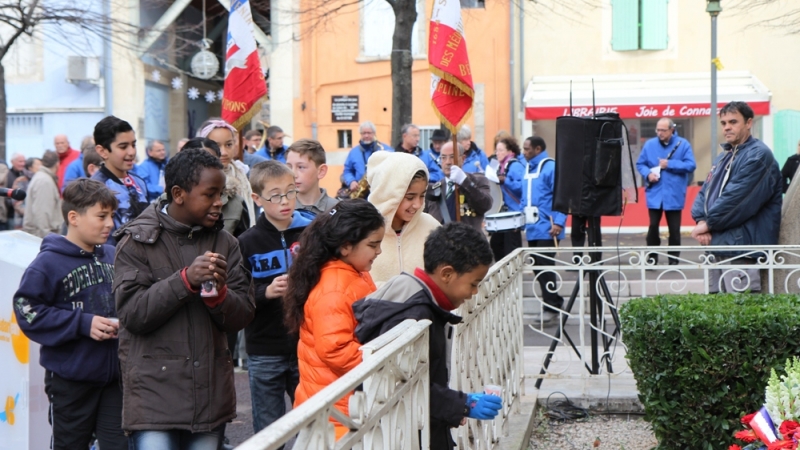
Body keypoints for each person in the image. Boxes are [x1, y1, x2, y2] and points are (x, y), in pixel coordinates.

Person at [114, 148, 255, 449]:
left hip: (209, 398)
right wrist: (184, 281)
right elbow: (133, 314)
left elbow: (242, 316)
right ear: (178, 194)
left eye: (222, 194)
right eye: (210, 194)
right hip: (153, 398)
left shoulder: (226, 243)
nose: (219, 203)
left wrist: (220, 298)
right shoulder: (137, 240)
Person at [352, 222, 501, 450]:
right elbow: (400, 385)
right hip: (403, 435)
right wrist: (462, 404)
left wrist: (454, 406)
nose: (474, 293)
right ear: (447, 274)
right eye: (473, 284)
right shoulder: (415, 315)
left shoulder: (418, 296)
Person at [14, 179, 125, 450]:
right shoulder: (46, 263)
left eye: (111, 215)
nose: (110, 223)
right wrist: (82, 323)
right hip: (71, 382)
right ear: (73, 217)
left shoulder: (112, 255)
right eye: (101, 216)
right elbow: (27, 311)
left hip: (115, 379)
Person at [284, 198, 385, 439]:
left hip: (337, 403)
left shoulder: (350, 272)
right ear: (346, 246)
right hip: (334, 412)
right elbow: (335, 349)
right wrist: (382, 360)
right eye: (373, 244)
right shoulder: (334, 288)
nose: (379, 251)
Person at [236, 161, 312, 436]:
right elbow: (238, 294)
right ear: (257, 198)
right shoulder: (246, 242)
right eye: (276, 195)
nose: (286, 201)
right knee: (269, 430)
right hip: (264, 348)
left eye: (291, 192)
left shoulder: (311, 232)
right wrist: (265, 292)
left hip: (306, 343)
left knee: (313, 423)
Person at [690, 101, 782, 293]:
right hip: (717, 245)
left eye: (733, 122)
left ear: (749, 123)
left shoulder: (758, 156)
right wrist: (701, 220)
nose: (727, 127)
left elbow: (737, 200)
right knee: (718, 314)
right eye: (723, 123)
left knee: (742, 313)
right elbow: (704, 192)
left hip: (741, 249)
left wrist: (708, 224)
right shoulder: (724, 156)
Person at [367, 151, 441, 285]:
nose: (418, 204)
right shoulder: (362, 232)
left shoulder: (431, 227)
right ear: (388, 194)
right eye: (410, 197)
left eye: (422, 195)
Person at [636, 118, 696, 265]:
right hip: (655, 192)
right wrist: (648, 174)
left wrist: (670, 164)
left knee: (674, 229)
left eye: (663, 130)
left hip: (674, 193)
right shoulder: (650, 144)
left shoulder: (683, 144)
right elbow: (640, 164)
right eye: (658, 130)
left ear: (671, 130)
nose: (660, 133)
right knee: (653, 226)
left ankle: (674, 260)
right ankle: (651, 258)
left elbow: (691, 165)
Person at [520, 136, 565, 322]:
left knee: (545, 266)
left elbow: (560, 195)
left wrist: (559, 222)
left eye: (527, 149)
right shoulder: (527, 168)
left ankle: (552, 306)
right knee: (538, 267)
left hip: (549, 226)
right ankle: (554, 301)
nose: (524, 152)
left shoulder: (551, 167)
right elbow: (525, 197)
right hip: (532, 227)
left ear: (538, 149)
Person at [90, 116, 149, 245]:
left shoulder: (139, 182)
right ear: (102, 151)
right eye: (123, 147)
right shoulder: (95, 188)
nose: (132, 152)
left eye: (133, 145)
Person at [182, 137, 252, 237]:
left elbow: (242, 247)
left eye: (212, 163)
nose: (206, 171)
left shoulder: (236, 204)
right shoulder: (167, 203)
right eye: (199, 164)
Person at [198, 118, 257, 229]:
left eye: (228, 145)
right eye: (216, 146)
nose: (224, 152)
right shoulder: (196, 178)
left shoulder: (242, 173)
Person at [425, 141, 493, 232]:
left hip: (470, 243)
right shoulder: (433, 190)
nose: (448, 162)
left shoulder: (478, 181)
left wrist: (464, 181)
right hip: (440, 244)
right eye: (443, 158)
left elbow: (485, 205)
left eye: (452, 157)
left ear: (463, 158)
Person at [489, 136, 525, 262]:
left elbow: (522, 187)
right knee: (496, 245)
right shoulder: (498, 166)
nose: (497, 153)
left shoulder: (515, 166)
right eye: (496, 150)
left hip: (512, 213)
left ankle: (513, 275)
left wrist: (506, 180)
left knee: (511, 247)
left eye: (501, 150)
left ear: (510, 151)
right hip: (501, 213)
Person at [286, 139, 339, 216]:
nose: (293, 174)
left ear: (321, 171)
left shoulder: (337, 210)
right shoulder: (282, 208)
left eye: (301, 167)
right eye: (289, 167)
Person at [342, 121, 391, 194]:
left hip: (380, 192)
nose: (366, 136)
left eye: (369, 133)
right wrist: (351, 181)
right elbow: (347, 171)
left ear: (374, 133)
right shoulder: (353, 152)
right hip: (361, 194)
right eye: (363, 133)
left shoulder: (385, 149)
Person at [23, 150, 63, 238]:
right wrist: (47, 239)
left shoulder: (43, 178)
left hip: (40, 235)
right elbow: (42, 213)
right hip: (41, 237)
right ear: (57, 164)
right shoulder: (44, 181)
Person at [6, 153, 30, 228]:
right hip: (11, 214)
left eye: (24, 161)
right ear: (12, 162)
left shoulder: (26, 175)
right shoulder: (7, 175)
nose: (23, 164)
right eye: (20, 161)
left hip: (24, 215)